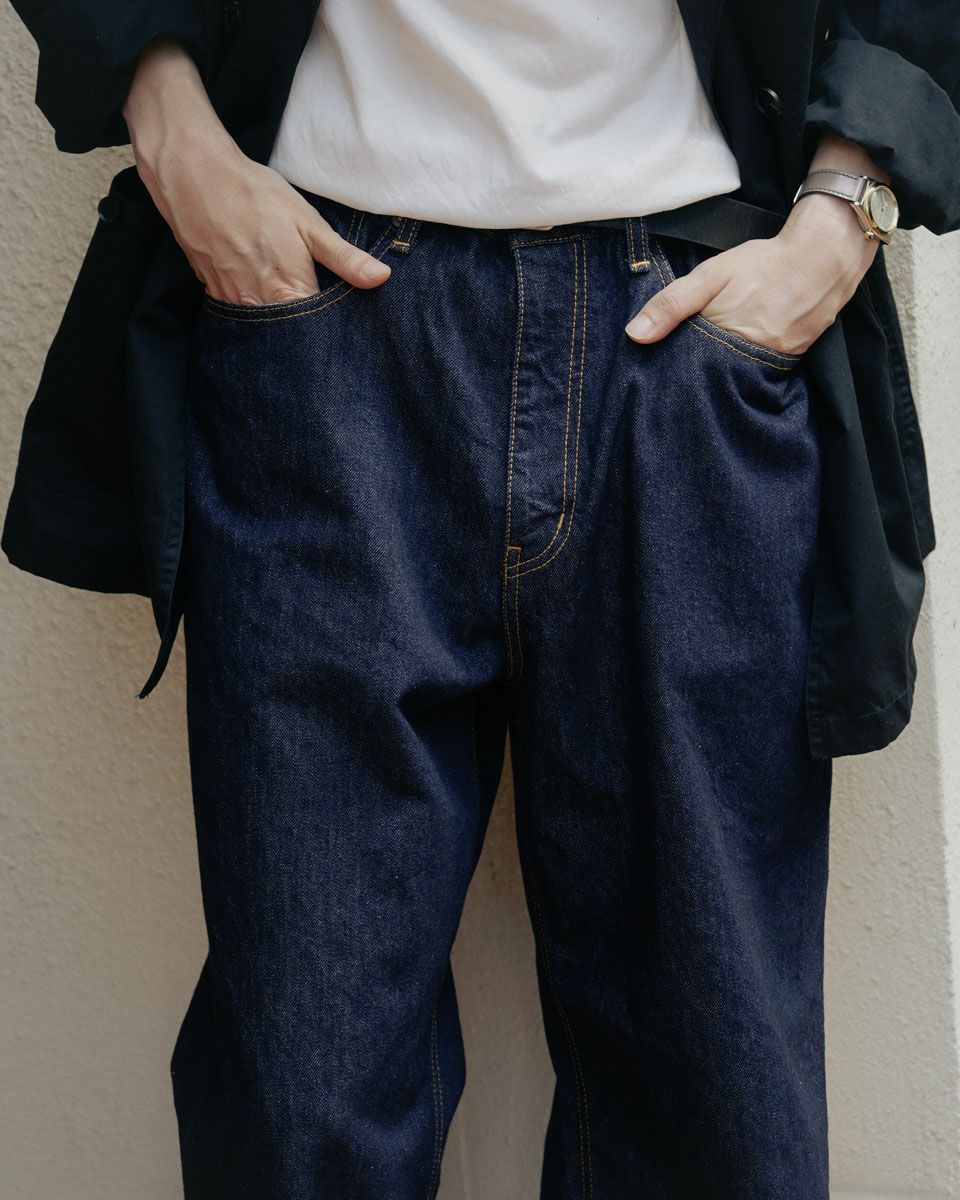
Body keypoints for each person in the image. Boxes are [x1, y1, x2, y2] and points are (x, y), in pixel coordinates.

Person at [3, 0, 958, 1196]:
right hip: (320, 329)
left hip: (688, 339)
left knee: (709, 1098)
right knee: (304, 1091)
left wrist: (845, 207)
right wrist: (171, 124)